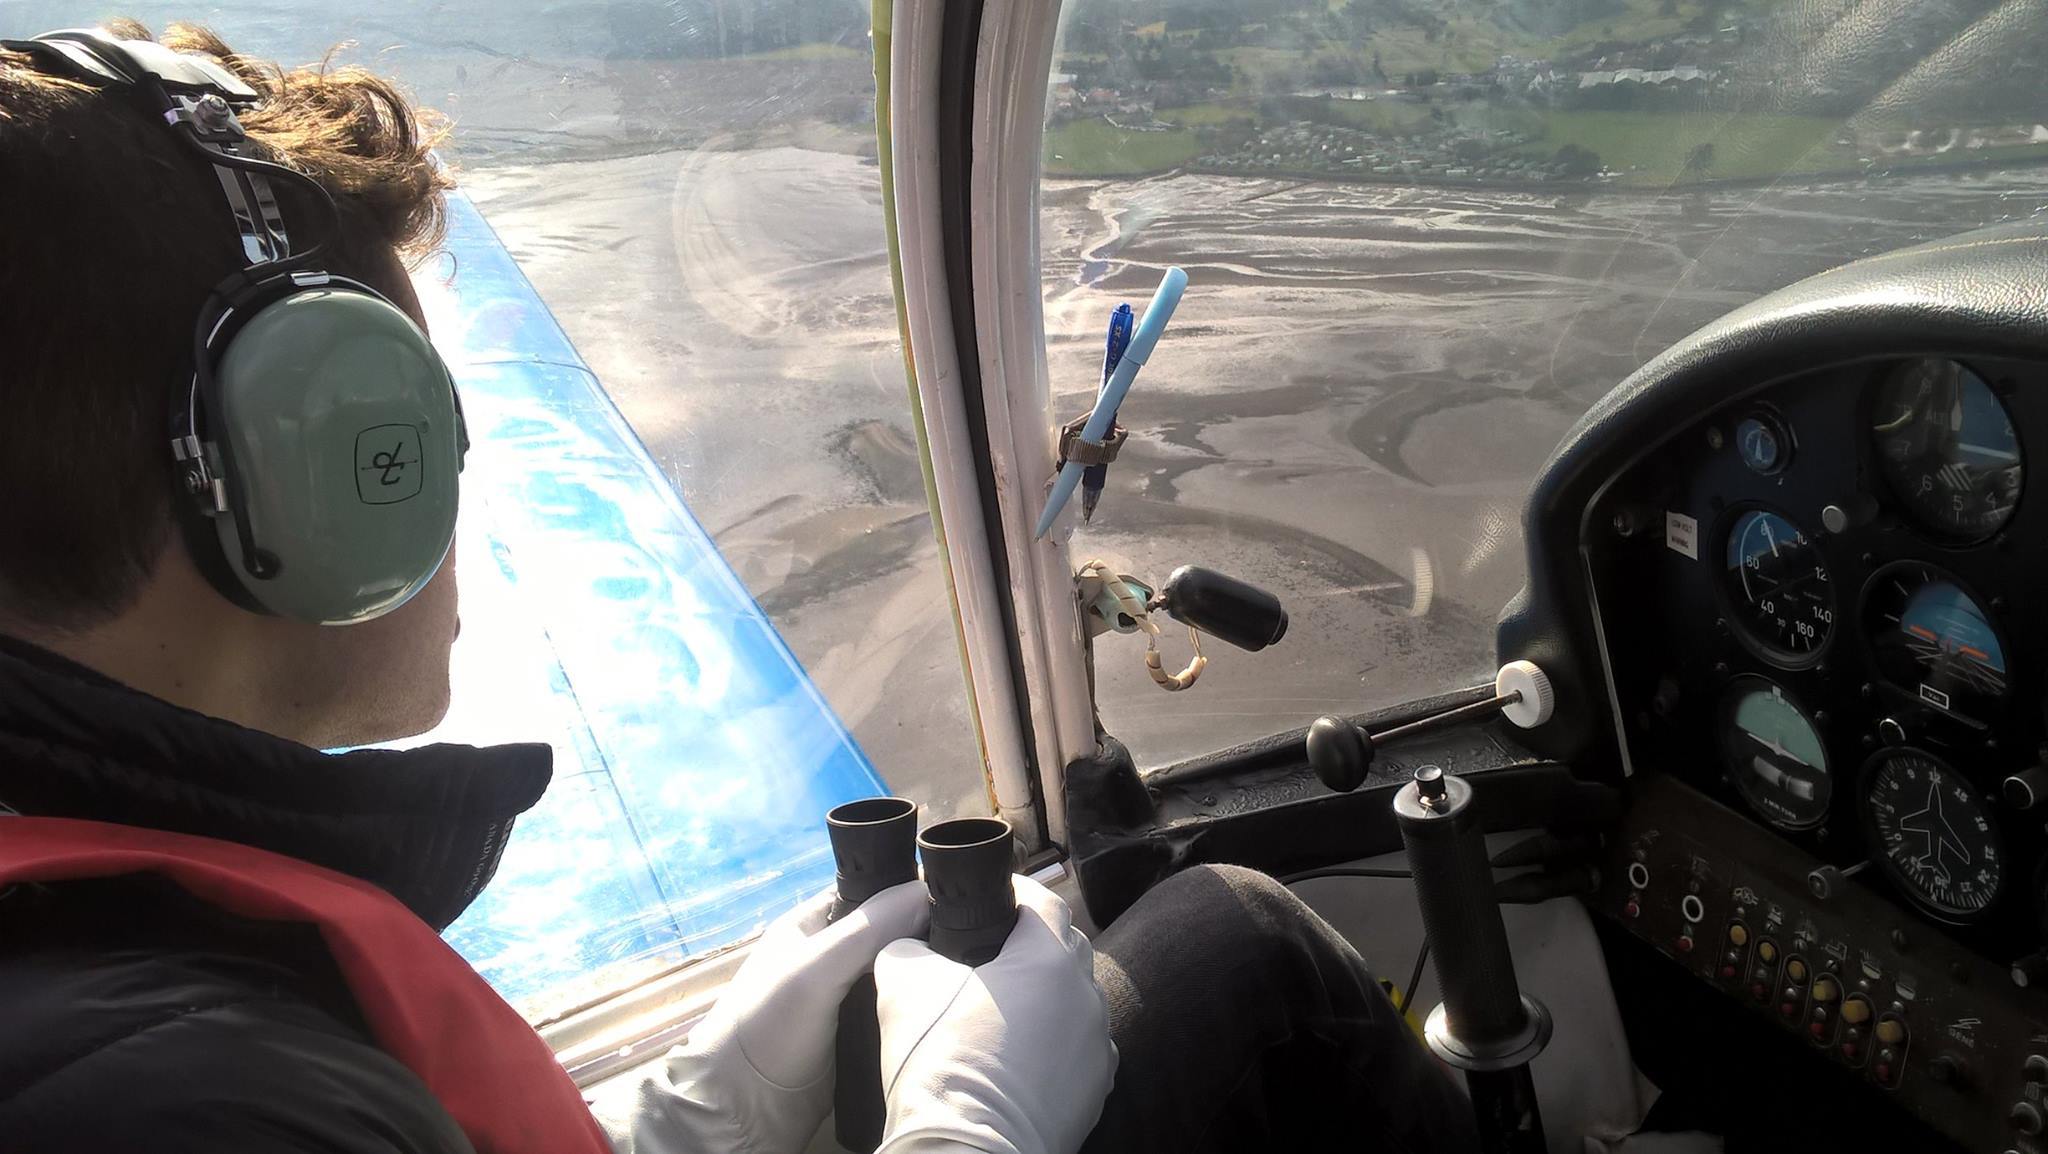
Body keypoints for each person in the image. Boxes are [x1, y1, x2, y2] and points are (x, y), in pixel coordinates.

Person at [0, 22, 1478, 1154]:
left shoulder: (124, 979)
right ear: (288, 473)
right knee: (1242, 942)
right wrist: (971, 1129)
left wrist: (686, 1120)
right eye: (406, 428)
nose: (454, 471)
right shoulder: (186, 1091)